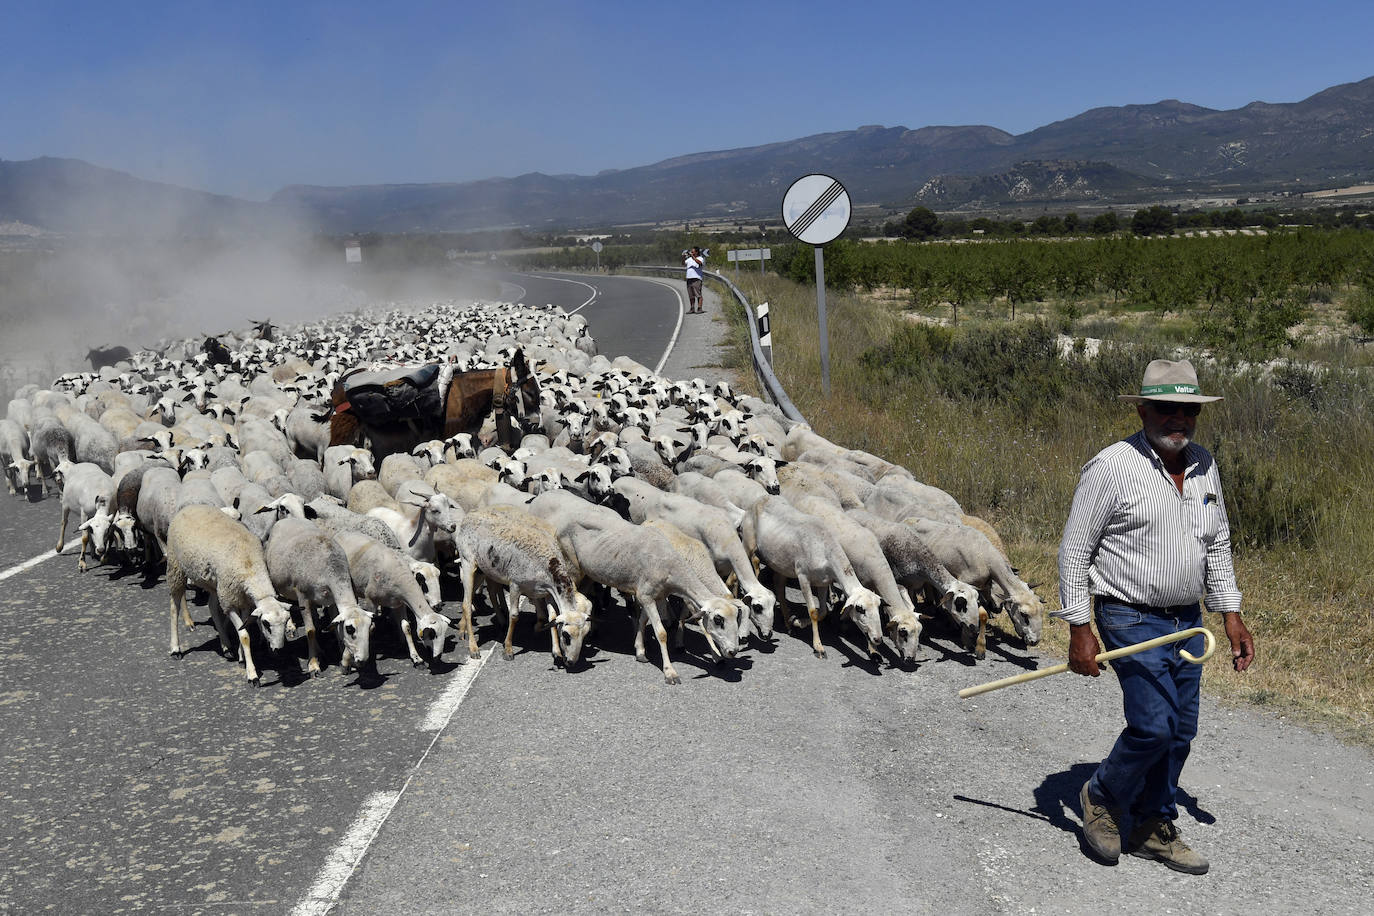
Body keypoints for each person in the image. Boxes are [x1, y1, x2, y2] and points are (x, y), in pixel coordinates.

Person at [1057, 358, 1255, 875]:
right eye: (1166, 409)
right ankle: (1100, 796)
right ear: (1143, 409)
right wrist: (1080, 627)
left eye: (1187, 410)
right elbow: (1075, 552)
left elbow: (1218, 544)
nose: (1178, 420)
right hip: (1128, 616)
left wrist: (1230, 613)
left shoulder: (1205, 464)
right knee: (1153, 727)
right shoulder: (1111, 467)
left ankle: (1151, 825)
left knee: (1181, 730)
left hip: (1187, 621)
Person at [682, 246, 705, 313]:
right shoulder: (689, 259)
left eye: (693, 252)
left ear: (696, 252)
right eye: (691, 252)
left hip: (696, 279)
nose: (691, 253)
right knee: (691, 295)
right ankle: (692, 308)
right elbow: (683, 263)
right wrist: (683, 257)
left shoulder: (700, 258)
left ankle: (699, 308)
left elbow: (699, 263)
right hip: (689, 278)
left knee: (698, 294)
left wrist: (693, 257)